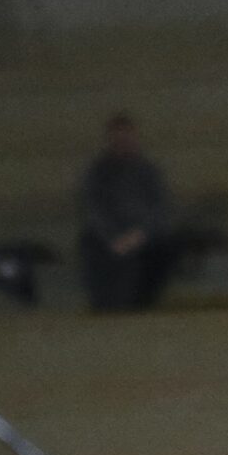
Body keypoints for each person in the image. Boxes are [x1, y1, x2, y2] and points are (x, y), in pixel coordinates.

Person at [78, 112, 178, 312]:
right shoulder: (98, 172)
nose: (123, 143)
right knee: (92, 245)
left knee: (169, 245)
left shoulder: (149, 170)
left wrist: (139, 235)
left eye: (127, 137)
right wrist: (113, 237)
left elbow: (160, 209)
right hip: (109, 236)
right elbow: (94, 209)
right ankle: (107, 303)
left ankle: (145, 300)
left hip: (143, 235)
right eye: (118, 138)